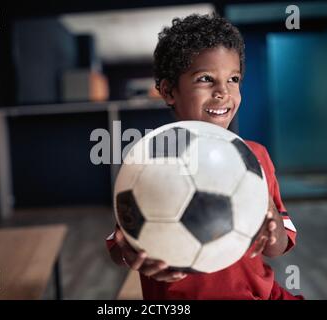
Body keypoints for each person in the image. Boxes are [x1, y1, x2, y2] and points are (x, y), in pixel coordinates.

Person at [106, 13, 302, 300]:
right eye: (206, 79)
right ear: (169, 91)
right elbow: (119, 250)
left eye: (233, 79)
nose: (223, 91)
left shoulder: (255, 156)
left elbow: (276, 248)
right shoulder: (149, 162)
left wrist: (267, 215)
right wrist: (131, 254)